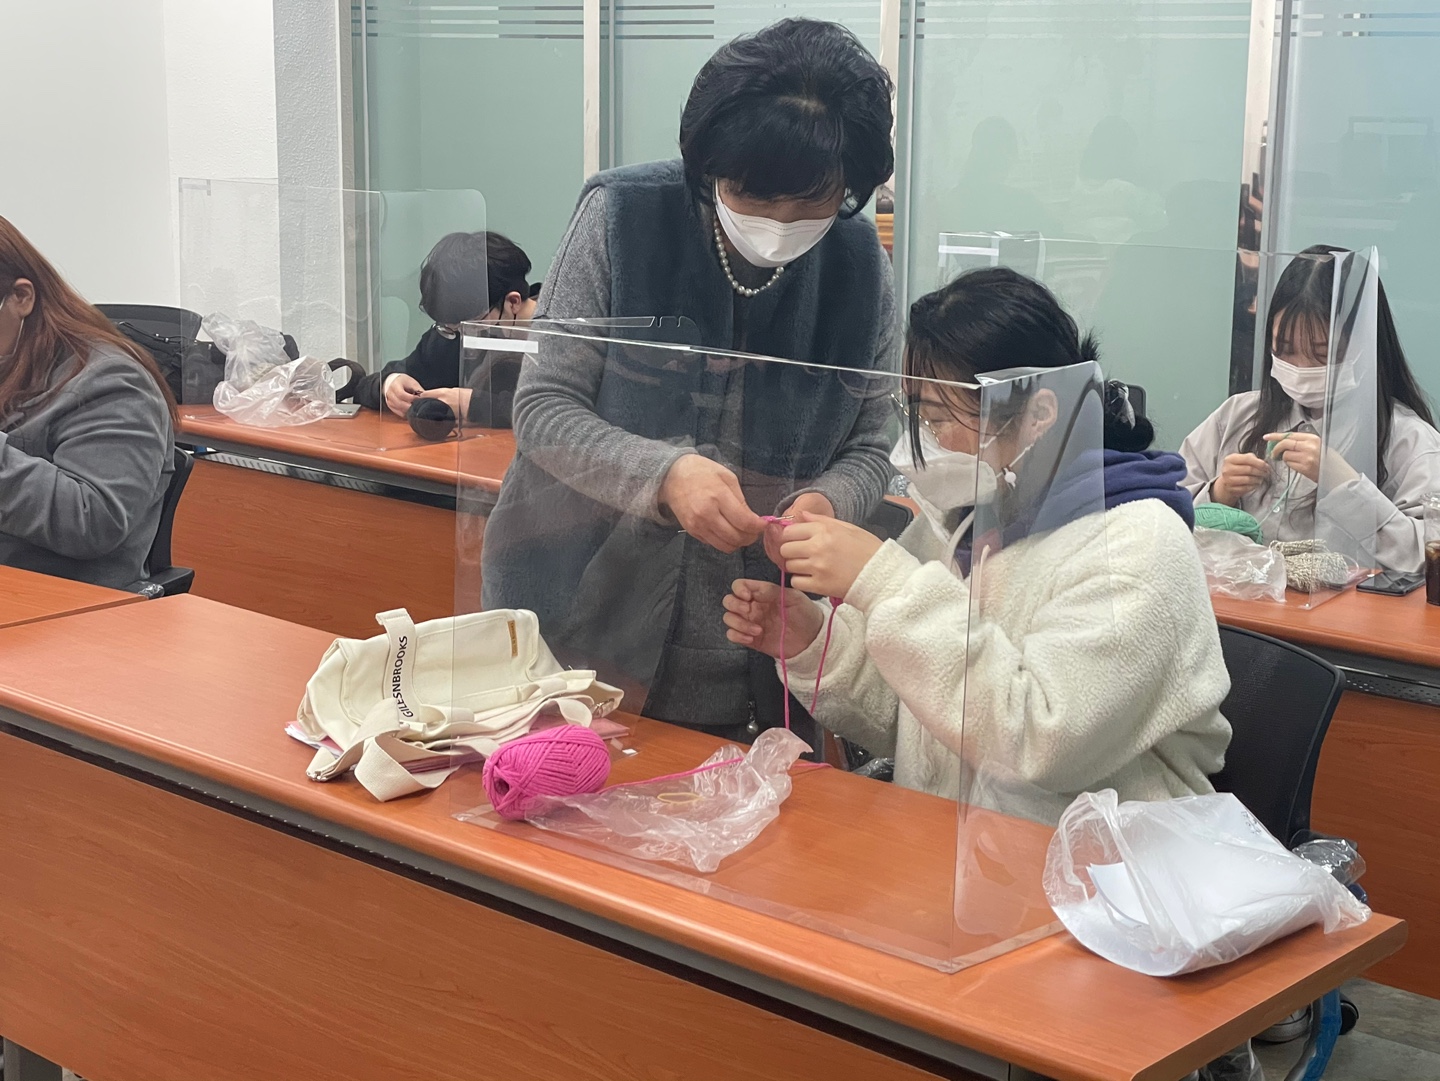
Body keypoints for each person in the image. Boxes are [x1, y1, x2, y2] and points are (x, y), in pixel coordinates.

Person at [481, 18, 899, 744]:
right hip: (580, 619)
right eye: (752, 195)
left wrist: (831, 501)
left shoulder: (861, 264)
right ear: (708, 168)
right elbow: (544, 408)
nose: (778, 224)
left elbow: (872, 443)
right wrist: (665, 475)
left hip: (757, 649)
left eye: (812, 202)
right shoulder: (623, 216)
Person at [722, 268, 1232, 821]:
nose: (924, 442)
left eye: (940, 418)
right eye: (918, 415)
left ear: (1038, 415)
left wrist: (883, 580)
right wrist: (815, 640)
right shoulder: (969, 521)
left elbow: (1037, 741)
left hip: (1103, 863)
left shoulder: (1136, 544)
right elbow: (921, 719)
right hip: (955, 848)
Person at [1180, 244, 1440, 573]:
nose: (1301, 368)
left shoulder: (1409, 440)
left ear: (1365, 345)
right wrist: (1219, 494)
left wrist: (1344, 483)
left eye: (1321, 353)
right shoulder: (1237, 416)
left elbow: (1427, 558)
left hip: (1346, 607)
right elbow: (1162, 514)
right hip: (1236, 601)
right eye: (1285, 349)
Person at [0, 216, 176, 588]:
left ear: (21, 297)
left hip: (60, 601)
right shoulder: (8, 359)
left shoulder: (111, 382)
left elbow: (94, 520)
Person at [353, 231, 539, 427]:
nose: (461, 336)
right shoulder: (451, 335)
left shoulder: (558, 335)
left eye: (471, 324)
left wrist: (472, 405)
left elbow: (555, 411)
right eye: (450, 328)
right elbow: (365, 387)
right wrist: (388, 385)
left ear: (512, 302)